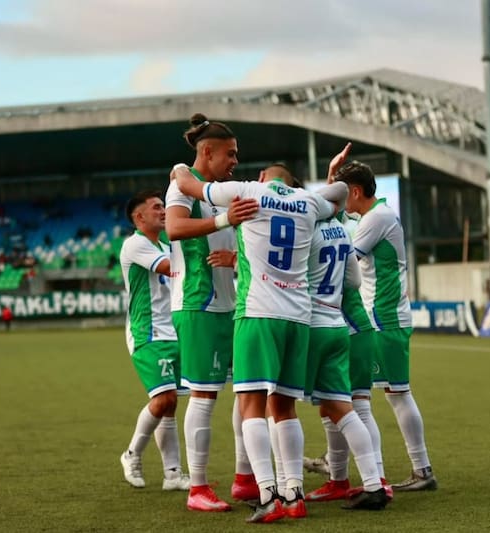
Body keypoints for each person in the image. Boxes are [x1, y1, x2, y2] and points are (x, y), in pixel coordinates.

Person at [172, 160, 348, 523]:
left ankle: (268, 494)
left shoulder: (249, 191)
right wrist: (312, 191)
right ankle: (294, 494)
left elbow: (188, 184)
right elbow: (341, 194)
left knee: (251, 404)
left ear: (265, 178)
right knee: (285, 409)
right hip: (298, 317)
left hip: (257, 312)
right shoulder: (309, 203)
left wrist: (179, 164)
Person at [260, 164, 389, 511]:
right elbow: (354, 283)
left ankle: (291, 492)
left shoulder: (304, 228)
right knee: (345, 410)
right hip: (338, 325)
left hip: (310, 326)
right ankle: (375, 484)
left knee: (278, 406)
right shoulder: (341, 230)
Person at [164, 114, 259, 512]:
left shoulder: (217, 191)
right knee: (204, 396)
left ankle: (243, 478)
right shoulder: (180, 185)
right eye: (230, 154)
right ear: (207, 151)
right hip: (198, 303)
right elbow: (173, 228)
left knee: (247, 391)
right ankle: (197, 488)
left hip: (230, 303)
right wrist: (223, 219)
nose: (236, 160)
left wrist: (235, 254)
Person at [333, 159, 438, 492]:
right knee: (378, 395)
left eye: (342, 193)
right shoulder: (379, 215)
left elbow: (343, 258)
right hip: (384, 317)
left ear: (355, 191)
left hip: (383, 318)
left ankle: (417, 470)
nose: (340, 201)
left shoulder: (375, 218)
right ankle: (402, 469)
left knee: (390, 395)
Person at [118, 190, 191, 492]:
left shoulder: (163, 243)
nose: (163, 211)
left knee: (170, 404)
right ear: (139, 217)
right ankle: (131, 454)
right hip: (147, 333)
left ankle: (172, 474)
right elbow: (169, 268)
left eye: (164, 206)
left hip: (172, 331)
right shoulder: (135, 244)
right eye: (156, 207)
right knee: (163, 399)